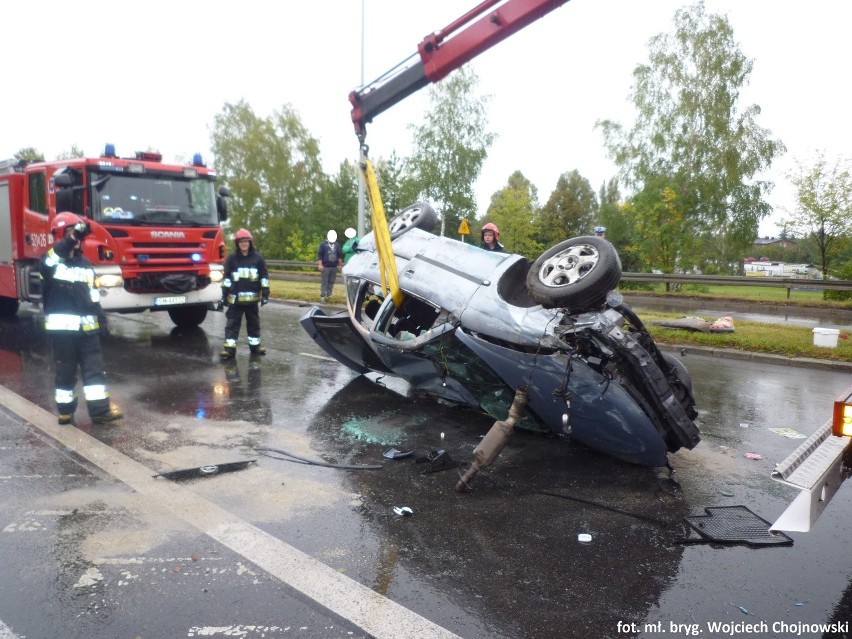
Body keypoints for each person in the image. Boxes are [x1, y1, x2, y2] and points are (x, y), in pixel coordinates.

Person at [39, 213, 123, 426]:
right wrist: (73, 236)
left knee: (95, 372)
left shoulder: (85, 264)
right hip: (63, 334)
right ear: (60, 235)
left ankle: (100, 412)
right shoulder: (50, 261)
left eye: (77, 234)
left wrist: (102, 322)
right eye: (70, 233)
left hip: (88, 332)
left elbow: (93, 297)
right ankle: (66, 411)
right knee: (65, 373)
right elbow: (52, 257)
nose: (76, 238)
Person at [219, 228, 270, 360]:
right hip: (235, 301)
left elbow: (264, 276)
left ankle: (255, 347)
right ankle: (229, 350)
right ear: (237, 243)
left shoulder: (258, 258)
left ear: (250, 242)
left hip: (252, 302)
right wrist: (224, 295)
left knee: (254, 325)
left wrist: (265, 293)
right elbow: (227, 279)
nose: (244, 244)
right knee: (232, 326)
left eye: (246, 241)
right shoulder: (231, 259)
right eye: (241, 242)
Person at [317, 230, 342, 302]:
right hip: (325, 267)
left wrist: (340, 265)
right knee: (325, 282)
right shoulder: (323, 244)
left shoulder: (336, 245)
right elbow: (320, 256)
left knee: (331, 281)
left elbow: (339, 256)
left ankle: (329, 295)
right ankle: (322, 296)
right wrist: (320, 265)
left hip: (334, 267)